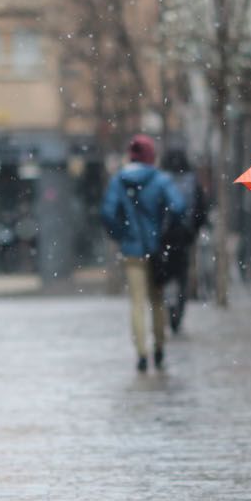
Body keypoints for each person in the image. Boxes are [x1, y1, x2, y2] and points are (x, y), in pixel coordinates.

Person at [100, 134, 185, 373]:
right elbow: (178, 207)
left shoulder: (119, 180)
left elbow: (107, 212)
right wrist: (164, 229)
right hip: (156, 249)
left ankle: (141, 354)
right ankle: (159, 348)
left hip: (131, 251)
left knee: (137, 303)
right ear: (151, 156)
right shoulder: (160, 179)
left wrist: (122, 233)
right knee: (157, 300)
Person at [159, 148, 209, 335]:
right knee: (182, 276)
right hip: (184, 236)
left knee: (163, 275)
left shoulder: (160, 180)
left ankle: (167, 307)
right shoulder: (192, 181)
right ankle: (177, 313)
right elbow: (201, 209)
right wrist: (193, 230)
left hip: (163, 237)